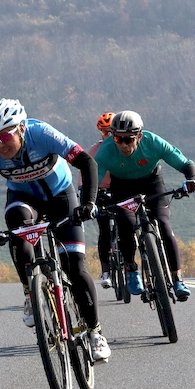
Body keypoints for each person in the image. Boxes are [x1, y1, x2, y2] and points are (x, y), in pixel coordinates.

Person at [0, 98, 111, 362]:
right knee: (16, 223)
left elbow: (87, 162)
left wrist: (88, 202)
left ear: (20, 129)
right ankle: (30, 292)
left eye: (4, 135)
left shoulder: (41, 133)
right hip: (24, 200)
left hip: (61, 197)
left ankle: (95, 331)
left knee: (74, 266)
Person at [94, 110, 195, 301]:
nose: (124, 145)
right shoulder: (106, 151)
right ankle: (131, 268)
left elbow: (184, 163)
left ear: (139, 136)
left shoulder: (153, 142)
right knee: (125, 224)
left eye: (129, 140)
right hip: (122, 188)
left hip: (152, 184)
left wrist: (192, 179)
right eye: (118, 139)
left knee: (164, 226)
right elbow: (92, 181)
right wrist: (90, 201)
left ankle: (177, 279)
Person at [80, 112, 118, 288]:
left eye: (111, 132)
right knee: (104, 228)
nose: (109, 136)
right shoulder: (96, 149)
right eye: (104, 133)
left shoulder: (127, 146)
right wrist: (84, 191)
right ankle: (106, 271)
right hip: (102, 191)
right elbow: (85, 174)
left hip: (121, 189)